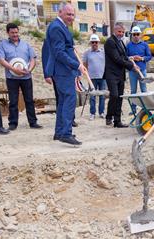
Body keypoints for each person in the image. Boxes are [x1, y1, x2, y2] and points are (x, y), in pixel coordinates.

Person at [44, 3, 87, 145]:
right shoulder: (57, 27)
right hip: (62, 71)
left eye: (73, 14)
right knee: (69, 100)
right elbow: (59, 53)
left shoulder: (61, 27)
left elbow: (66, 49)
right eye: (68, 14)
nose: (71, 17)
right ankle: (66, 133)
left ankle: (59, 132)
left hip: (64, 71)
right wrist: (77, 65)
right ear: (60, 12)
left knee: (62, 102)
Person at [0, 23, 42, 131]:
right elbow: (2, 60)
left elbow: (33, 59)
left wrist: (29, 70)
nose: (15, 34)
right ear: (8, 33)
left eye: (16, 32)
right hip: (11, 78)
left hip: (26, 78)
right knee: (13, 101)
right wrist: (13, 69)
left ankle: (33, 122)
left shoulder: (26, 44)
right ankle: (13, 123)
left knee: (29, 100)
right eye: (12, 33)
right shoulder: (3, 45)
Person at [104, 22, 139, 128]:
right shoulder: (110, 42)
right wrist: (131, 67)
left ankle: (117, 121)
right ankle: (109, 116)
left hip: (120, 74)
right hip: (111, 74)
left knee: (119, 97)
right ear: (114, 31)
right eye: (119, 31)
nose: (121, 34)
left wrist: (131, 60)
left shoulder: (121, 43)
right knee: (114, 95)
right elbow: (117, 59)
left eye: (123, 32)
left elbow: (123, 57)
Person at [41, 38, 78, 128]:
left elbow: (74, 55)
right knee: (61, 98)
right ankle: (63, 121)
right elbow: (45, 56)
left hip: (69, 72)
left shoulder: (68, 38)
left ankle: (70, 119)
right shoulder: (48, 41)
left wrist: (77, 71)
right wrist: (47, 75)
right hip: (57, 73)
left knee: (71, 97)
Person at [126, 26, 152, 114]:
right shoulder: (129, 45)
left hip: (142, 71)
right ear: (132, 35)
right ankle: (133, 110)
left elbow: (149, 56)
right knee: (133, 91)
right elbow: (125, 57)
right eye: (134, 34)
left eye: (137, 34)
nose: (136, 36)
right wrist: (132, 58)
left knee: (144, 90)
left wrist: (141, 58)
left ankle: (145, 109)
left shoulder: (144, 45)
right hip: (132, 71)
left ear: (140, 35)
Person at [82, 34, 106, 120]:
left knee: (102, 96)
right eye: (93, 42)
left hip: (102, 77)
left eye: (96, 42)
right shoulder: (87, 53)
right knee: (92, 96)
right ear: (90, 43)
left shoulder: (103, 52)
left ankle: (101, 112)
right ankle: (92, 113)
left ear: (98, 42)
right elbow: (85, 65)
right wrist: (87, 74)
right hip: (91, 78)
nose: (94, 44)